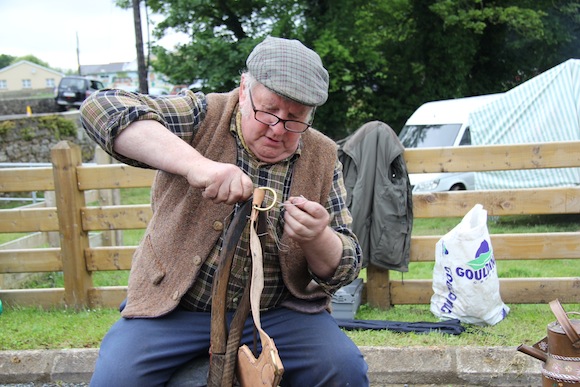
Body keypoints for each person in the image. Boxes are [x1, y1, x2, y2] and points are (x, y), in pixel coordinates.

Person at [80, 36, 369, 387]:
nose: (278, 129)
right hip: (175, 309)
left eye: (295, 119)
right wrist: (197, 166)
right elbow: (101, 108)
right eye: (268, 110)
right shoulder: (204, 114)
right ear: (244, 88)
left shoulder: (323, 155)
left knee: (344, 369)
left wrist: (318, 238)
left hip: (279, 313)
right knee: (117, 378)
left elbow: (345, 267)